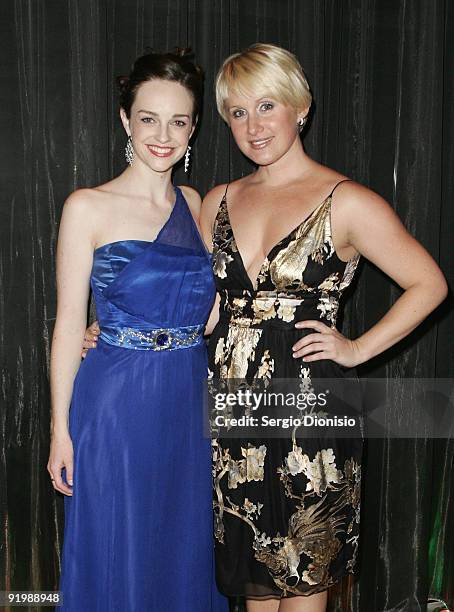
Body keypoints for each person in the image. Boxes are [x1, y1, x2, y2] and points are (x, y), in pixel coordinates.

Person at [198, 44, 448, 612]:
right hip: (233, 410)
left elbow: (429, 284)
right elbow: (189, 296)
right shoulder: (217, 200)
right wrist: (104, 327)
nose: (253, 126)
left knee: (306, 577)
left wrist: (358, 348)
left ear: (300, 109)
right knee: (252, 582)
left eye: (266, 106)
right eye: (237, 112)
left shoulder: (348, 201)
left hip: (310, 413)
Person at [48, 49, 228, 612]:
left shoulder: (196, 204)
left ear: (194, 127)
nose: (163, 135)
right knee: (117, 544)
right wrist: (60, 429)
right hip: (116, 402)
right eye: (148, 118)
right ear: (125, 120)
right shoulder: (87, 206)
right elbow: (68, 325)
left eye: (179, 121)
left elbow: (207, 309)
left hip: (187, 397)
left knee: (183, 545)